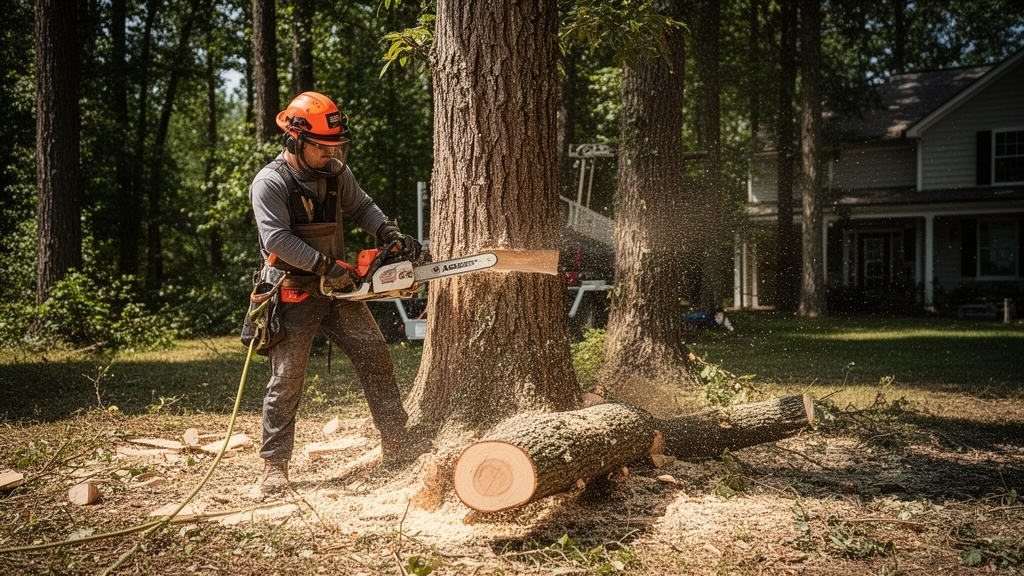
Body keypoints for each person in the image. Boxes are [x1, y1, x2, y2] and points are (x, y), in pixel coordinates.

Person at [247, 91, 426, 498]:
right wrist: (326, 266)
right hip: (293, 290)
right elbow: (277, 238)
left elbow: (362, 207)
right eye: (322, 147)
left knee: (376, 357)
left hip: (339, 289)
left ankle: (397, 441)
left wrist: (389, 233)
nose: (330, 155)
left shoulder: (335, 174)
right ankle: (274, 466)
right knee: (287, 378)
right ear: (295, 140)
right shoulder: (270, 183)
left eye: (335, 147)